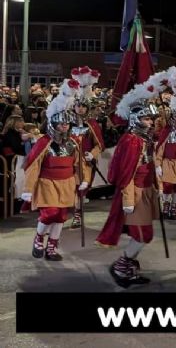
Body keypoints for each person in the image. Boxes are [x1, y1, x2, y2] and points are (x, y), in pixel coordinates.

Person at [96, 78, 163, 287]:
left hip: (146, 190)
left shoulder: (145, 139)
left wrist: (156, 185)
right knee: (143, 234)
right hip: (134, 192)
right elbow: (126, 172)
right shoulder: (132, 140)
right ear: (136, 119)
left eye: (151, 119)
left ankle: (127, 266)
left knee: (143, 233)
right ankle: (122, 265)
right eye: (147, 119)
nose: (151, 122)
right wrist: (128, 197)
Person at [21, 80, 83, 261]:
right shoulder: (44, 142)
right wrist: (28, 189)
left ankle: (52, 247)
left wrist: (82, 181)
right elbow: (33, 166)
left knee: (61, 216)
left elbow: (78, 165)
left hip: (67, 183)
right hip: (47, 183)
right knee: (50, 213)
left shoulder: (73, 143)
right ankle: (39, 238)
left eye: (67, 124)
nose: (65, 127)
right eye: (62, 124)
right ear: (53, 124)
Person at [68, 66, 105, 229]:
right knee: (70, 189)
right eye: (78, 106)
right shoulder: (66, 123)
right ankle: (71, 212)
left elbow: (100, 144)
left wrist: (93, 154)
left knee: (80, 190)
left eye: (83, 106)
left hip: (85, 162)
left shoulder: (92, 124)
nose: (80, 108)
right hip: (69, 162)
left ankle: (77, 215)